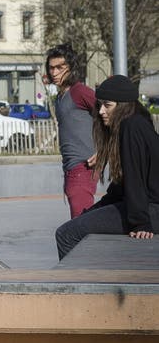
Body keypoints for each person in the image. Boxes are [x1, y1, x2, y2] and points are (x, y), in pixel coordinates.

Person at [55, 75, 159, 259]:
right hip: (147, 207)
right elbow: (121, 188)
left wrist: (140, 223)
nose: (101, 111)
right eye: (100, 105)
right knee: (78, 225)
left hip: (151, 210)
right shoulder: (137, 122)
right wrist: (93, 211)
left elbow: (135, 179)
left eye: (107, 105)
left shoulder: (131, 126)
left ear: (123, 106)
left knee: (67, 234)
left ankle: (75, 284)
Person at [44, 43, 98, 218]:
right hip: (70, 168)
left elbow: (112, 115)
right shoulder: (60, 97)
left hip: (83, 167)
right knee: (79, 225)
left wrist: (103, 151)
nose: (54, 72)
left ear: (71, 68)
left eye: (60, 67)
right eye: (51, 68)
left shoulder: (80, 91)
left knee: (81, 228)